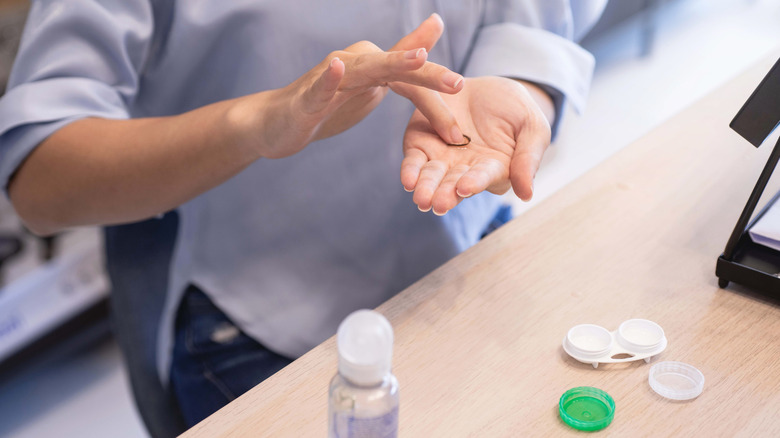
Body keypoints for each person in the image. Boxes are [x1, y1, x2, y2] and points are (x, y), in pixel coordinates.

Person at [0, 0, 605, 430]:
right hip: (261, 326)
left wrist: (523, 88)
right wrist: (259, 122)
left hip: (464, 261)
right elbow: (41, 177)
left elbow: (542, 15)